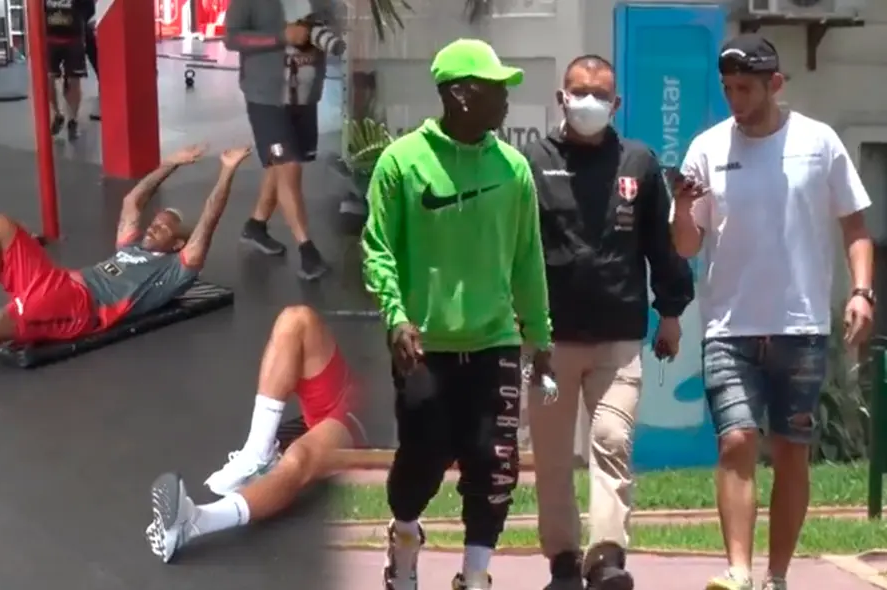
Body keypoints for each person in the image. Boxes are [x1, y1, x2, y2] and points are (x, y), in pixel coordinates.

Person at [670, 34, 874, 590]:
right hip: (729, 328)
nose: (736, 98)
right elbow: (687, 246)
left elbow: (855, 228)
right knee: (735, 440)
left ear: (775, 84)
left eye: (746, 88)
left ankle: (777, 574)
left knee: (791, 451)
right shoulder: (707, 148)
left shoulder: (820, 142)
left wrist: (861, 292)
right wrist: (685, 206)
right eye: (728, 88)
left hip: (800, 326)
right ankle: (737, 568)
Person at [362, 38, 553, 590]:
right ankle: (403, 533)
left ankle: (474, 577)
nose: (507, 100)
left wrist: (539, 338)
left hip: (494, 339)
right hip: (424, 345)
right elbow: (377, 248)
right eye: (497, 89)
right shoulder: (401, 163)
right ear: (461, 95)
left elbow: (527, 259)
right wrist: (396, 317)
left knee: (494, 465)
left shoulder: (512, 168)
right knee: (423, 459)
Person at [0, 144, 253, 399]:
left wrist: (227, 171)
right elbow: (132, 200)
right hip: (62, 282)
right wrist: (170, 163)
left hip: (81, 307)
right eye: (155, 222)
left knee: (4, 321)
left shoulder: (174, 269)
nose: (153, 227)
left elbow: (209, 219)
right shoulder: (131, 246)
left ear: (178, 245)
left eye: (164, 228)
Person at [520, 55, 694, 590]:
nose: (588, 102)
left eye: (600, 94)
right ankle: (564, 562)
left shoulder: (638, 163)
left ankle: (607, 558)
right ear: (562, 99)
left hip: (619, 338)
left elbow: (661, 249)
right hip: (549, 341)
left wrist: (670, 313)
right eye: (579, 92)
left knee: (612, 441)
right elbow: (517, 250)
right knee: (552, 458)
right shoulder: (531, 161)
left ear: (616, 104)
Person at [144, 304, 365, 563]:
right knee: (296, 320)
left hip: (367, 422)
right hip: (348, 391)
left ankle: (195, 522)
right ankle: (258, 452)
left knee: (298, 459)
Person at [224, 0, 331, 281]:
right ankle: (307, 250)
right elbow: (231, 38)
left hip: (306, 96)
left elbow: (332, 30)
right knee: (288, 166)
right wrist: (281, 37)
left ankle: (256, 225)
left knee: (280, 164)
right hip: (266, 98)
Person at [44, 0, 88, 140]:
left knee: (74, 80)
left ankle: (73, 120)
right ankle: (58, 115)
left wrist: (76, 21)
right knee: (49, 79)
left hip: (73, 39)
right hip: (50, 39)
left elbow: (88, 10)